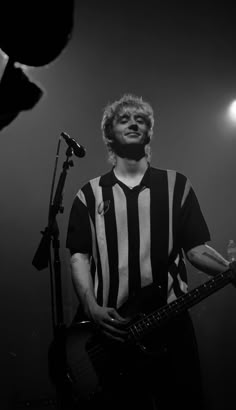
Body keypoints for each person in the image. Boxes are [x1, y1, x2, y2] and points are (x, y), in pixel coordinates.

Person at [65, 94, 232, 410]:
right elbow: (79, 257)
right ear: (109, 133)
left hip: (170, 321)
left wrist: (229, 271)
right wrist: (91, 308)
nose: (132, 122)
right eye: (123, 118)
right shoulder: (88, 194)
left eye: (140, 119)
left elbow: (195, 250)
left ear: (150, 132)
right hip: (112, 328)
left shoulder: (176, 186)